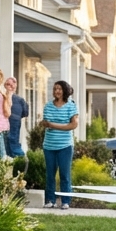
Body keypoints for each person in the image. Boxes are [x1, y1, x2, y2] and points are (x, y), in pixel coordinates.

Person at [39, 80, 79, 209]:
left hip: (65, 146)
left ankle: (65, 201)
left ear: (64, 91)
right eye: (55, 89)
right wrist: (52, 125)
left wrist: (52, 125)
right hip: (49, 146)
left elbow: (73, 125)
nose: (57, 91)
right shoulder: (48, 106)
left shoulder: (71, 106)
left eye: (59, 89)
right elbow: (46, 124)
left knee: (64, 174)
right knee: (50, 174)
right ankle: (50, 200)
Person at [4, 77, 29, 157]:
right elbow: (25, 113)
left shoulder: (20, 100)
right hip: (7, 124)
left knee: (10, 143)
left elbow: (25, 113)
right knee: (10, 143)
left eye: (11, 85)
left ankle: (22, 161)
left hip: (13, 124)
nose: (10, 86)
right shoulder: (20, 100)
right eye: (8, 84)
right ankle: (21, 161)